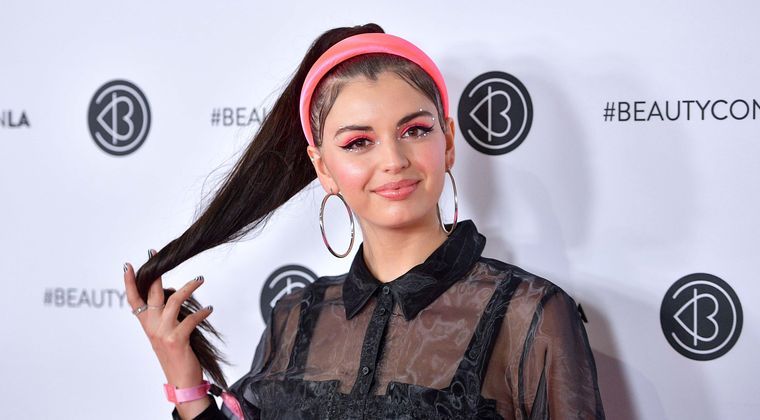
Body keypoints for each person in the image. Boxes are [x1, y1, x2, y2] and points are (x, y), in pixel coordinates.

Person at [123, 23, 605, 419]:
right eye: (358, 142)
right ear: (323, 168)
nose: (393, 160)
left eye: (415, 130)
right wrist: (185, 386)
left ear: (448, 142)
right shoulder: (296, 317)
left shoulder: (529, 314)